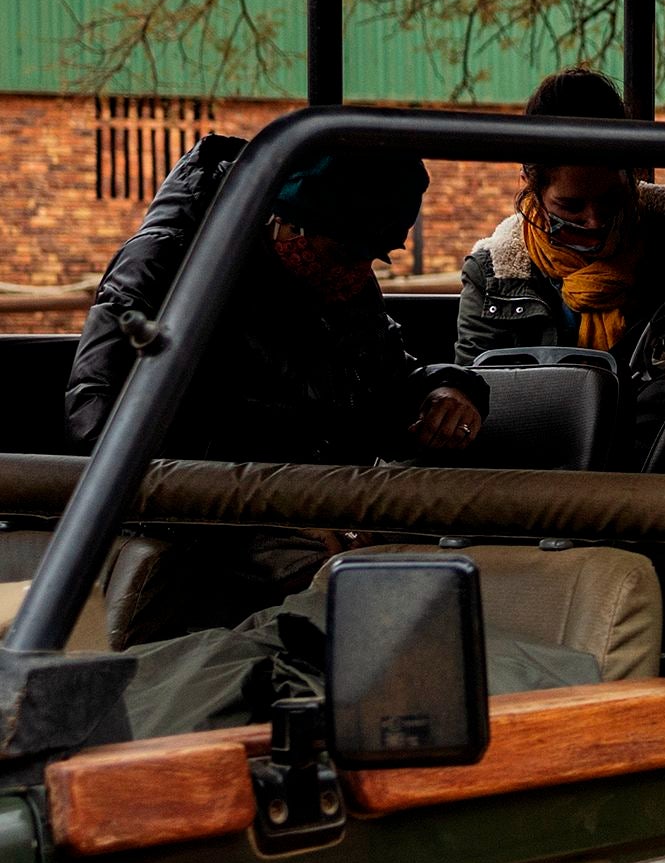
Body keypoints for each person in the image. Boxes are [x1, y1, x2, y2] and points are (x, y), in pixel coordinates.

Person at [68, 137, 485, 644]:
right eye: (344, 251)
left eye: (372, 257)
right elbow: (101, 418)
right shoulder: (175, 263)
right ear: (287, 221)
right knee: (346, 582)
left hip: (308, 505)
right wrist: (268, 509)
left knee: (442, 559)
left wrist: (443, 392)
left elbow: (382, 383)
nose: (356, 274)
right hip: (202, 521)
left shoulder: (333, 275)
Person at [458, 69, 665, 447]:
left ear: (632, 175)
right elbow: (473, 392)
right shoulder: (495, 275)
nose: (595, 220)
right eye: (570, 206)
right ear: (530, 186)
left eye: (610, 199)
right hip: (547, 458)